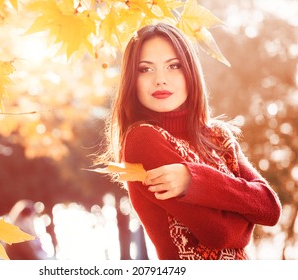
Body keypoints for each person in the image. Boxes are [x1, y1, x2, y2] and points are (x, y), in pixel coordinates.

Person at [97, 22, 282, 260]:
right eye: (146, 69)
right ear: (132, 79)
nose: (160, 80)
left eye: (174, 66)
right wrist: (246, 213)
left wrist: (194, 180)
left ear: (190, 72)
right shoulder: (143, 139)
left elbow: (269, 208)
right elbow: (220, 235)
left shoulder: (219, 136)